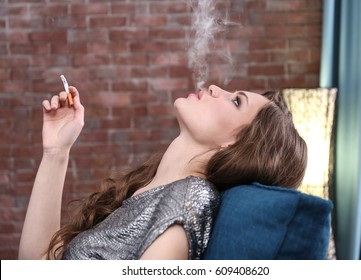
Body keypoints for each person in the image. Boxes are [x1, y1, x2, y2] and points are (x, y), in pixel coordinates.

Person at [18, 84, 307, 260]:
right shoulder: (148, 188)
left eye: (236, 101)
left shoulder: (190, 199)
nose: (216, 88)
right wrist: (56, 152)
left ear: (237, 144)